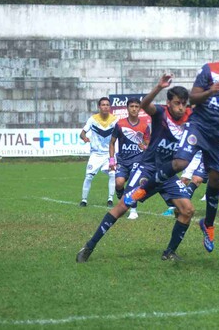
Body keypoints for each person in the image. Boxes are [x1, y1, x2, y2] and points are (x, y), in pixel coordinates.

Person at [130, 35, 219, 254]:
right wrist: (211, 92)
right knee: (179, 163)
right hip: (198, 126)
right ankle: (143, 190)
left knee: (217, 178)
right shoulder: (210, 69)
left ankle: (208, 224)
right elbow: (193, 98)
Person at [76, 76, 194, 263]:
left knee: (187, 210)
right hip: (147, 170)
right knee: (122, 206)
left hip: (168, 173)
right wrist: (158, 86)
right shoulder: (161, 113)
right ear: (168, 103)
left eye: (183, 104)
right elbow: (146, 104)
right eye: (177, 103)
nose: (180, 107)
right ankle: (89, 246)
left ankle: (169, 252)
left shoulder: (188, 117)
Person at [109, 98, 150, 219]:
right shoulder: (120, 124)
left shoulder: (144, 125)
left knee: (133, 185)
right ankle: (121, 195)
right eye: (131, 106)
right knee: (119, 183)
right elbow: (112, 143)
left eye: (136, 107)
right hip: (122, 160)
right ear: (127, 108)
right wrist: (112, 160)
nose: (134, 109)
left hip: (137, 160)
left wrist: (145, 146)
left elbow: (148, 145)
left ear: (140, 109)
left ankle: (133, 210)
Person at [79, 97, 118, 207]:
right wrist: (84, 138)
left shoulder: (115, 120)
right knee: (89, 176)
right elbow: (82, 133)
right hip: (96, 154)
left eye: (107, 105)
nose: (105, 107)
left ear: (109, 107)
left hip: (109, 154)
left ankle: (110, 199)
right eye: (103, 105)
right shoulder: (93, 119)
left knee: (112, 174)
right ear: (99, 107)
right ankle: (84, 200)